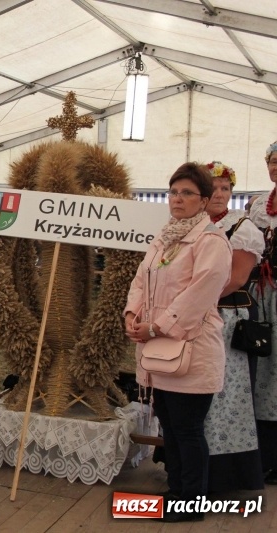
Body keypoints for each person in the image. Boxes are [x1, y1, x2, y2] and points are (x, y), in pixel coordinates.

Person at [124, 162, 231, 522]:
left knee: (187, 429)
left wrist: (155, 327)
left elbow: (197, 296)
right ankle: (177, 491)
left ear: (203, 201)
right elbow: (142, 279)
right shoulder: (165, 236)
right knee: (170, 426)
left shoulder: (211, 241)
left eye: (187, 193)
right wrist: (132, 314)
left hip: (191, 350)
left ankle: (192, 501)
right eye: (173, 191)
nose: (178, 199)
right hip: (160, 352)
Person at [202, 161, 264, 493]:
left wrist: (193, 301)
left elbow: (236, 278)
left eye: (225, 188)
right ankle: (192, 470)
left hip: (228, 318)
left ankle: (226, 477)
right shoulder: (191, 225)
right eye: (213, 187)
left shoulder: (242, 228)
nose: (219, 193)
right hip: (194, 317)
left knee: (227, 395)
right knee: (196, 392)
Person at [248, 141, 277, 484]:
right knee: (261, 368)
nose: (274, 168)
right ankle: (263, 454)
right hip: (261, 293)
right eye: (271, 162)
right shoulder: (257, 205)